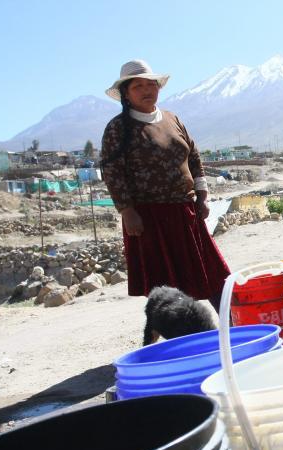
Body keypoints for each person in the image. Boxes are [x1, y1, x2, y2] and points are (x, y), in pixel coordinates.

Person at [100, 59, 229, 311]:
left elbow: (193, 156)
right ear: (126, 93)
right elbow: (112, 171)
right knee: (167, 289)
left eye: (151, 84)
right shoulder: (118, 128)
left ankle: (230, 329)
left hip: (185, 212)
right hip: (149, 219)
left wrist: (202, 195)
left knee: (213, 276)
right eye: (138, 86)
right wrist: (127, 211)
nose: (147, 90)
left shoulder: (172, 119)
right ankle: (180, 340)